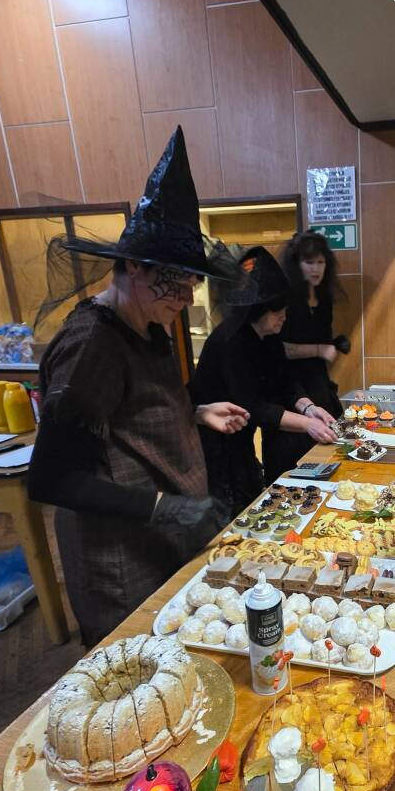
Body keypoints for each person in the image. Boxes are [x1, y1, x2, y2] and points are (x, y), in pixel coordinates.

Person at [28, 128, 250, 647]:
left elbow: (131, 414)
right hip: (119, 556)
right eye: (177, 279)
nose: (188, 295)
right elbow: (50, 478)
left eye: (192, 281)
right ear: (132, 265)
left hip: (159, 542)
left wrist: (196, 412)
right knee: (134, 665)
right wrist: (163, 507)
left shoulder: (148, 327)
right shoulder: (93, 344)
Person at [190, 246, 337, 498]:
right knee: (233, 498)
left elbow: (286, 382)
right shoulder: (230, 341)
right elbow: (253, 406)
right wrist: (308, 425)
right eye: (278, 311)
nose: (284, 317)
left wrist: (309, 408)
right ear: (258, 310)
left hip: (242, 434)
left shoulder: (269, 336)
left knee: (251, 487)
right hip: (215, 440)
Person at [279, 231, 347, 424]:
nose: (316, 269)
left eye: (320, 262)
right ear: (296, 264)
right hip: (287, 381)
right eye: (309, 263)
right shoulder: (285, 298)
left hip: (317, 377)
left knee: (330, 428)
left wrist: (334, 344)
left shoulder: (324, 298)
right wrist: (319, 349)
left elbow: (323, 338)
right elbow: (278, 349)